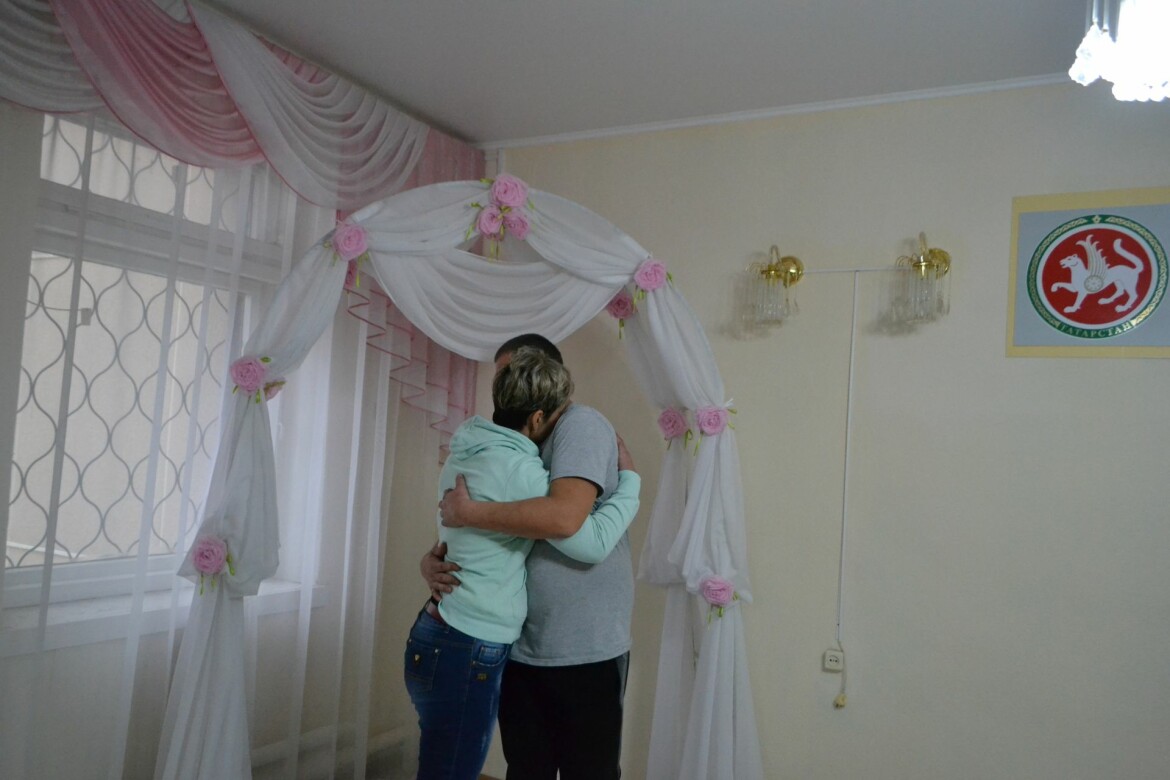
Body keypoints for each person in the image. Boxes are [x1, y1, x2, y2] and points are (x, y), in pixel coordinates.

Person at [404, 347, 640, 780]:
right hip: (512, 643)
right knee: (521, 767)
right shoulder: (508, 452)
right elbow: (473, 527)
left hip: (579, 646)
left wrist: (468, 514)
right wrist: (432, 559)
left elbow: (565, 521)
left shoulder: (574, 427)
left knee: (586, 770)